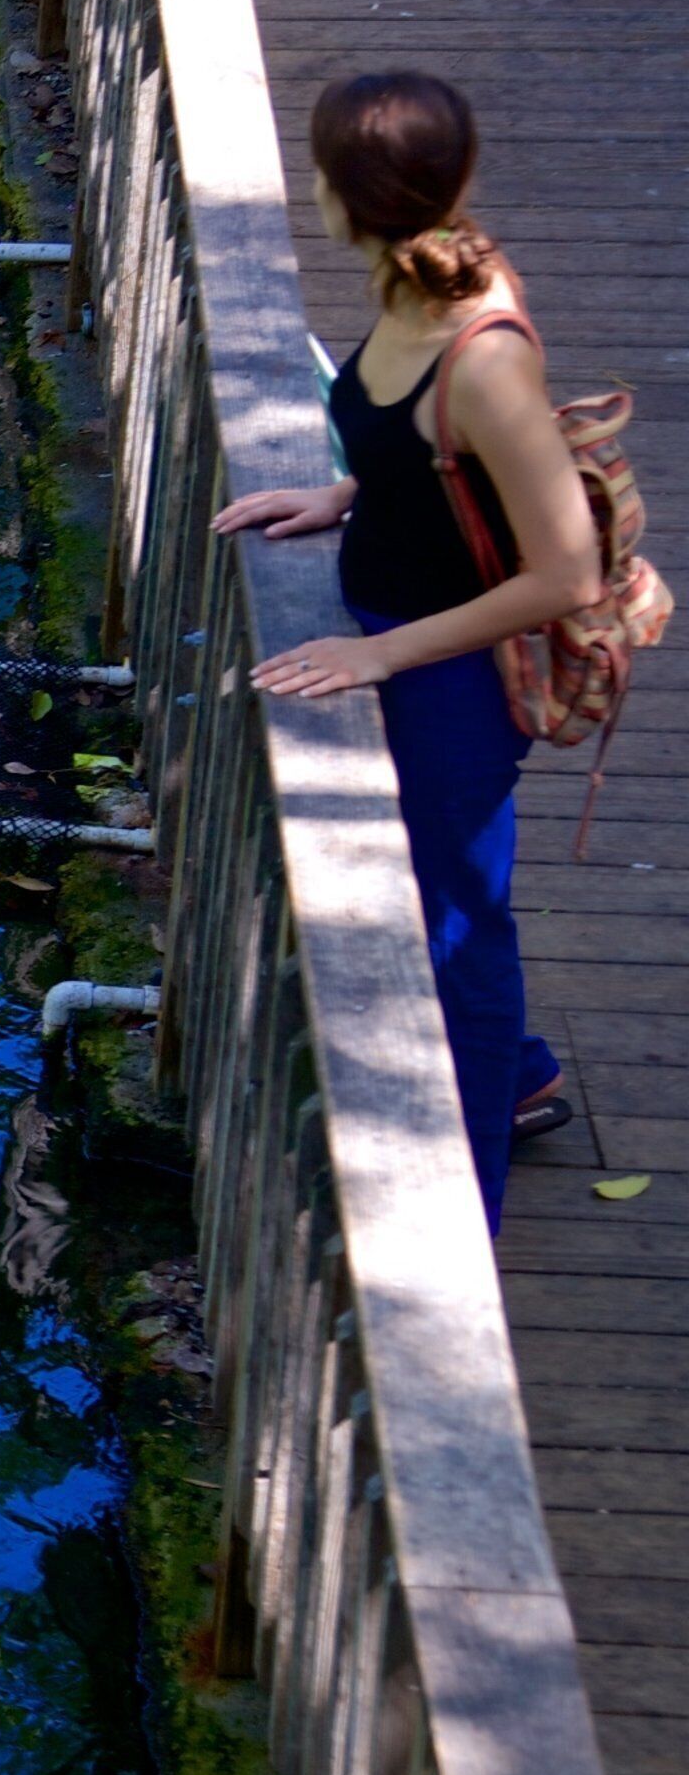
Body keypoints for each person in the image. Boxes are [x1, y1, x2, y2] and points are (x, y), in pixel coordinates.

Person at [211, 70, 601, 1232]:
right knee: (432, 901)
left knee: (456, 930)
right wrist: (340, 493)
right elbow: (425, 455)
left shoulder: (484, 348)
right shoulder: (407, 280)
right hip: (394, 635)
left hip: (455, 683)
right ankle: (524, 1077)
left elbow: (565, 572)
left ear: (341, 195)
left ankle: (464, 1207)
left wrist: (385, 658)